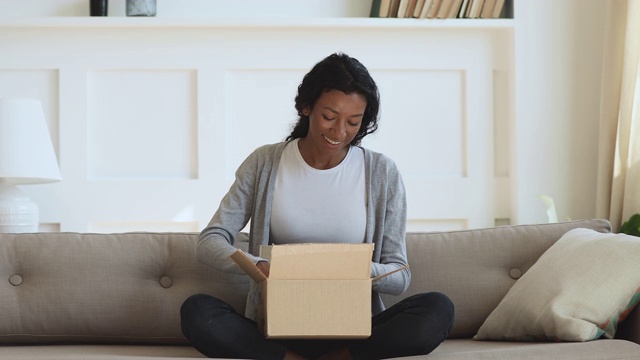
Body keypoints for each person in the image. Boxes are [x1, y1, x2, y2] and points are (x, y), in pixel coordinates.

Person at [180, 52, 454, 360]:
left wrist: (349, 267)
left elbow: (399, 275)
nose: (339, 133)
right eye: (329, 117)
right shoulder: (265, 162)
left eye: (353, 122)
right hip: (277, 328)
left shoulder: (381, 172)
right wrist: (257, 266)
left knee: (438, 309)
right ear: (306, 107)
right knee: (197, 311)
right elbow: (210, 241)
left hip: (356, 330)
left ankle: (339, 356)